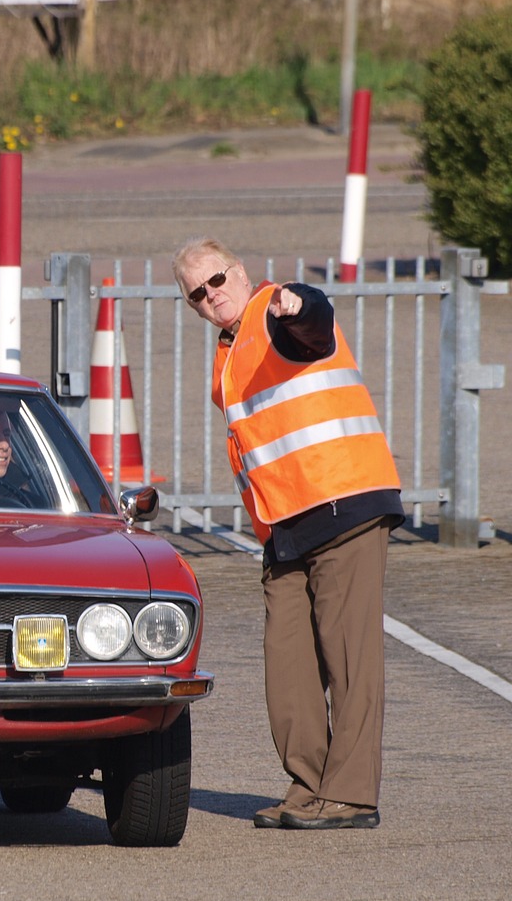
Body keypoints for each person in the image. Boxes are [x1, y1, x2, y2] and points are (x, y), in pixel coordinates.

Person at [172, 236, 404, 830]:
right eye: (197, 293)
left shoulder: (275, 313)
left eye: (217, 281)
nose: (211, 296)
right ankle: (309, 786)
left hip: (344, 500)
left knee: (349, 657)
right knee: (288, 663)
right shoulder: (228, 350)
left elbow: (314, 323)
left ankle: (350, 795)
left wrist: (302, 304)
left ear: (241, 273)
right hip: (285, 525)